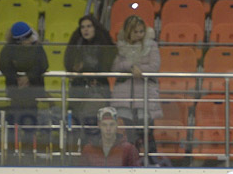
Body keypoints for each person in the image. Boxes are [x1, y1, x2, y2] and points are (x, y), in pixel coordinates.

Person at [111, 15, 163, 154]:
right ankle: (132, 160)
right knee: (129, 134)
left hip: (145, 93)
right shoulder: (121, 47)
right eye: (136, 32)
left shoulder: (151, 46)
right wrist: (131, 66)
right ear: (128, 32)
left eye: (141, 31)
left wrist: (139, 69)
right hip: (125, 95)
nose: (139, 35)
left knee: (147, 132)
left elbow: (154, 66)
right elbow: (115, 67)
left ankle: (152, 161)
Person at [64, 14, 116, 126]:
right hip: (78, 87)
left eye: (88, 26)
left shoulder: (104, 44)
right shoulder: (76, 44)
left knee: (92, 120)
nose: (85, 29)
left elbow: (106, 67)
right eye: (82, 27)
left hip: (98, 88)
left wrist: (84, 67)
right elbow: (69, 65)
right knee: (75, 119)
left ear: (95, 28)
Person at [0, 21, 48, 127]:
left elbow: (43, 64)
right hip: (15, 91)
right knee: (16, 121)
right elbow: (4, 66)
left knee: (31, 122)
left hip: (33, 91)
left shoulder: (37, 47)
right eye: (27, 37)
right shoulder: (8, 49)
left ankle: (32, 141)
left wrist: (28, 77)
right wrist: (18, 79)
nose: (30, 39)